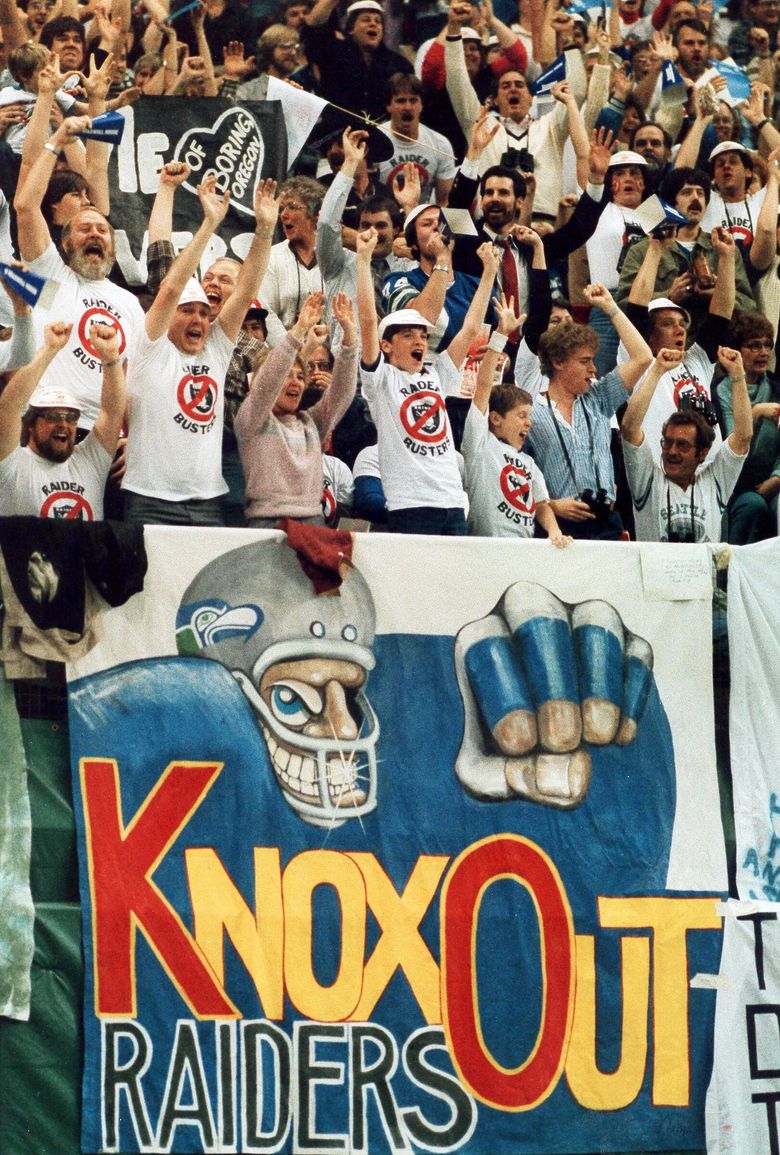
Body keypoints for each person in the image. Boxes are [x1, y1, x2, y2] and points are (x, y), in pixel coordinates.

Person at [122, 177, 278, 526]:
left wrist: (265, 228)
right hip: (150, 500)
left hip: (209, 500)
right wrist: (209, 224)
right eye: (188, 310)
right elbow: (171, 286)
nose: (199, 319)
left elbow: (248, 286)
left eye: (204, 314)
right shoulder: (151, 347)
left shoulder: (217, 350)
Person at [357, 228, 498, 534]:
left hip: (453, 501)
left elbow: (471, 329)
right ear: (387, 346)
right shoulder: (380, 380)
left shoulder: (436, 373)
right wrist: (363, 259)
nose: (419, 340)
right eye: (408, 335)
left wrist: (489, 273)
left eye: (422, 335)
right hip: (410, 506)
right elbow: (368, 322)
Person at [14, 114, 145, 433]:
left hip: (102, 435)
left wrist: (133, 437)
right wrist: (57, 139)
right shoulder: (49, 275)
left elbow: (138, 379)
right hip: (43, 420)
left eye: (103, 230)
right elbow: (26, 207)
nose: (96, 234)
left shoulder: (128, 303)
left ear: (113, 248)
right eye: (85, 228)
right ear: (66, 241)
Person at [525, 284, 653, 540]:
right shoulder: (530, 412)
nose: (594, 369)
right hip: (558, 527)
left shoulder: (599, 398)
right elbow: (520, 475)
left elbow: (643, 357)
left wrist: (610, 307)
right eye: (584, 361)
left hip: (606, 521)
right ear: (558, 362)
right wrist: (551, 505)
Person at [236, 290, 357, 527]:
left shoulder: (310, 422)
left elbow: (341, 393)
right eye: (287, 376)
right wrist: (299, 330)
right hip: (267, 522)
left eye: (301, 376)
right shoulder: (251, 418)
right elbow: (268, 381)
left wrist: (350, 338)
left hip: (314, 521)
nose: (295, 382)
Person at [461, 292, 571, 544]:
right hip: (486, 547)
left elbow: (542, 504)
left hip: (523, 548)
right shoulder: (481, 445)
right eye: (521, 416)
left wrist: (555, 532)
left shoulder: (529, 463)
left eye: (529, 416)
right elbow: (484, 384)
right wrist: (500, 335)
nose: (528, 423)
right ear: (496, 418)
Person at [621, 344, 752, 541]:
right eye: (667, 442)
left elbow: (743, 436)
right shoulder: (647, 481)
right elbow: (630, 428)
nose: (671, 451)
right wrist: (657, 370)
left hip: (702, 573)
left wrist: (738, 374)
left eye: (682, 445)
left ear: (702, 453)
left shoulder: (715, 482)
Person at [0, 317, 125, 519]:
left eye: (71, 417)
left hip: (84, 552)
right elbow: (9, 407)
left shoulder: (90, 462)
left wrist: (110, 357)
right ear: (31, 424)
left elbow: (112, 412)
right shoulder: (11, 465)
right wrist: (49, 349)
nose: (63, 424)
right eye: (53, 416)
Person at [616, 166, 757, 339]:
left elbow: (749, 307)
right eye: (686, 192)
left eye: (701, 193)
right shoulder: (643, 250)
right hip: (658, 346)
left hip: (711, 348)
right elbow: (623, 307)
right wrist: (667, 297)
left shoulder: (723, 249)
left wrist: (719, 294)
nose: (695, 198)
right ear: (671, 202)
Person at [717, 311, 780, 543]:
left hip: (773, 481)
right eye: (754, 346)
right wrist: (755, 413)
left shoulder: (777, 389)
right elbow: (732, 444)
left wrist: (776, 479)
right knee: (752, 504)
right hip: (735, 484)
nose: (763, 352)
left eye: (767, 344)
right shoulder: (721, 392)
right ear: (736, 350)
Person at [302, 0, 412, 121]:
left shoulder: (400, 65)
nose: (373, 24)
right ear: (350, 29)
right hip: (337, 133)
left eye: (378, 21)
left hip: (382, 135)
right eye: (366, 19)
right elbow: (314, 27)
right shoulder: (334, 52)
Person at [376, 72, 456, 206]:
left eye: (413, 100)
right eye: (400, 101)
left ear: (421, 105)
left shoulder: (441, 144)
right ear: (388, 106)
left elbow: (444, 202)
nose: (407, 107)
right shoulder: (375, 140)